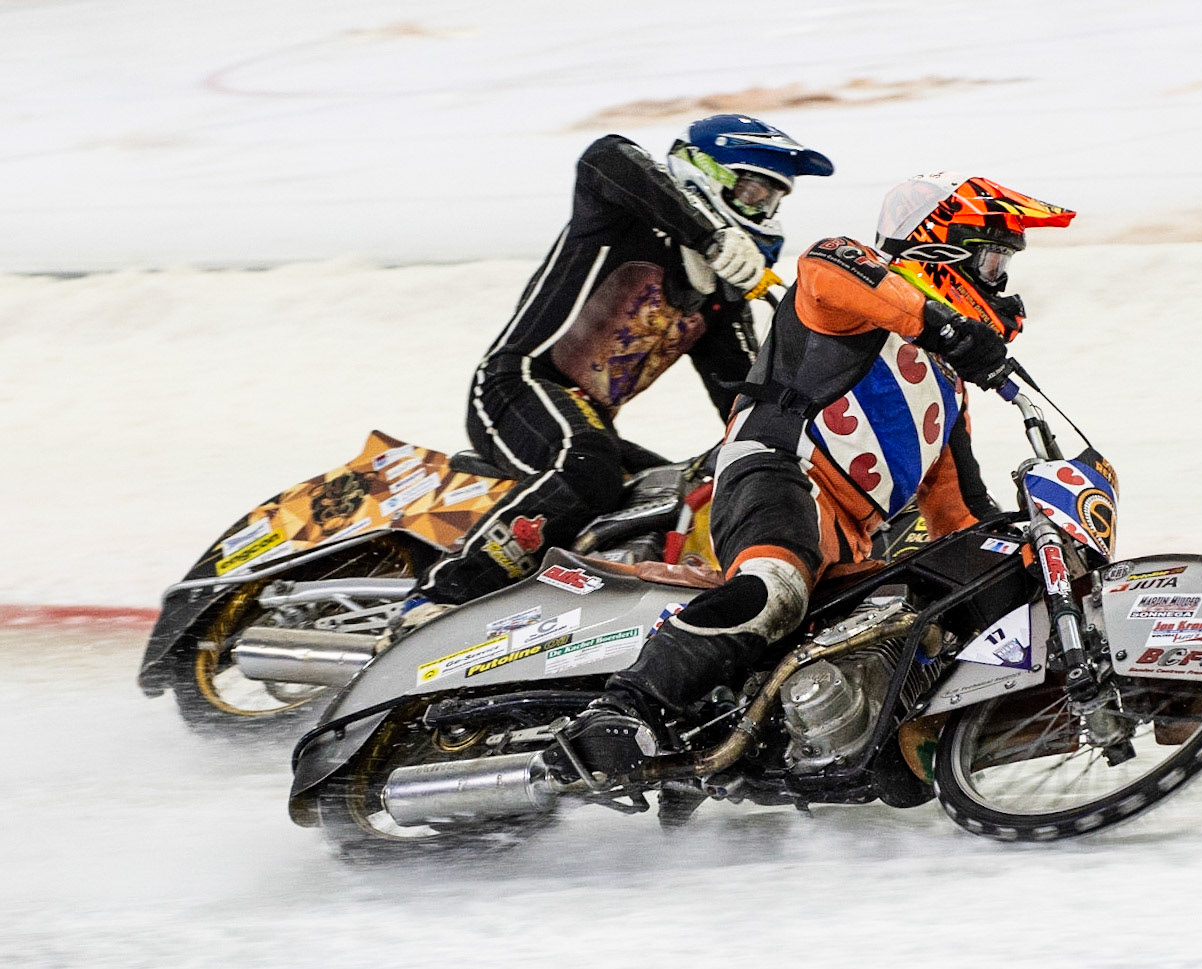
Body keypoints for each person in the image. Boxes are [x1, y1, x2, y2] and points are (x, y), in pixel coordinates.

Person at [553, 172, 1076, 777]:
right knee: (777, 588)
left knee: (920, 613)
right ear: (938, 248)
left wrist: (1031, 560)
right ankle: (622, 708)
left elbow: (958, 518)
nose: (1001, 280)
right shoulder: (851, 280)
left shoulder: (947, 391)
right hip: (779, 472)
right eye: (991, 259)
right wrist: (948, 328)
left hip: (851, 536)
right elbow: (825, 268)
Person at [409, 116, 834, 611]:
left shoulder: (720, 301)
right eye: (755, 190)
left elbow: (744, 405)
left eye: (773, 200)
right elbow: (604, 154)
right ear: (705, 174)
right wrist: (712, 235)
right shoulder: (623, 219)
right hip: (515, 384)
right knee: (588, 465)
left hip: (590, 422)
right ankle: (436, 598)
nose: (764, 209)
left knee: (682, 490)